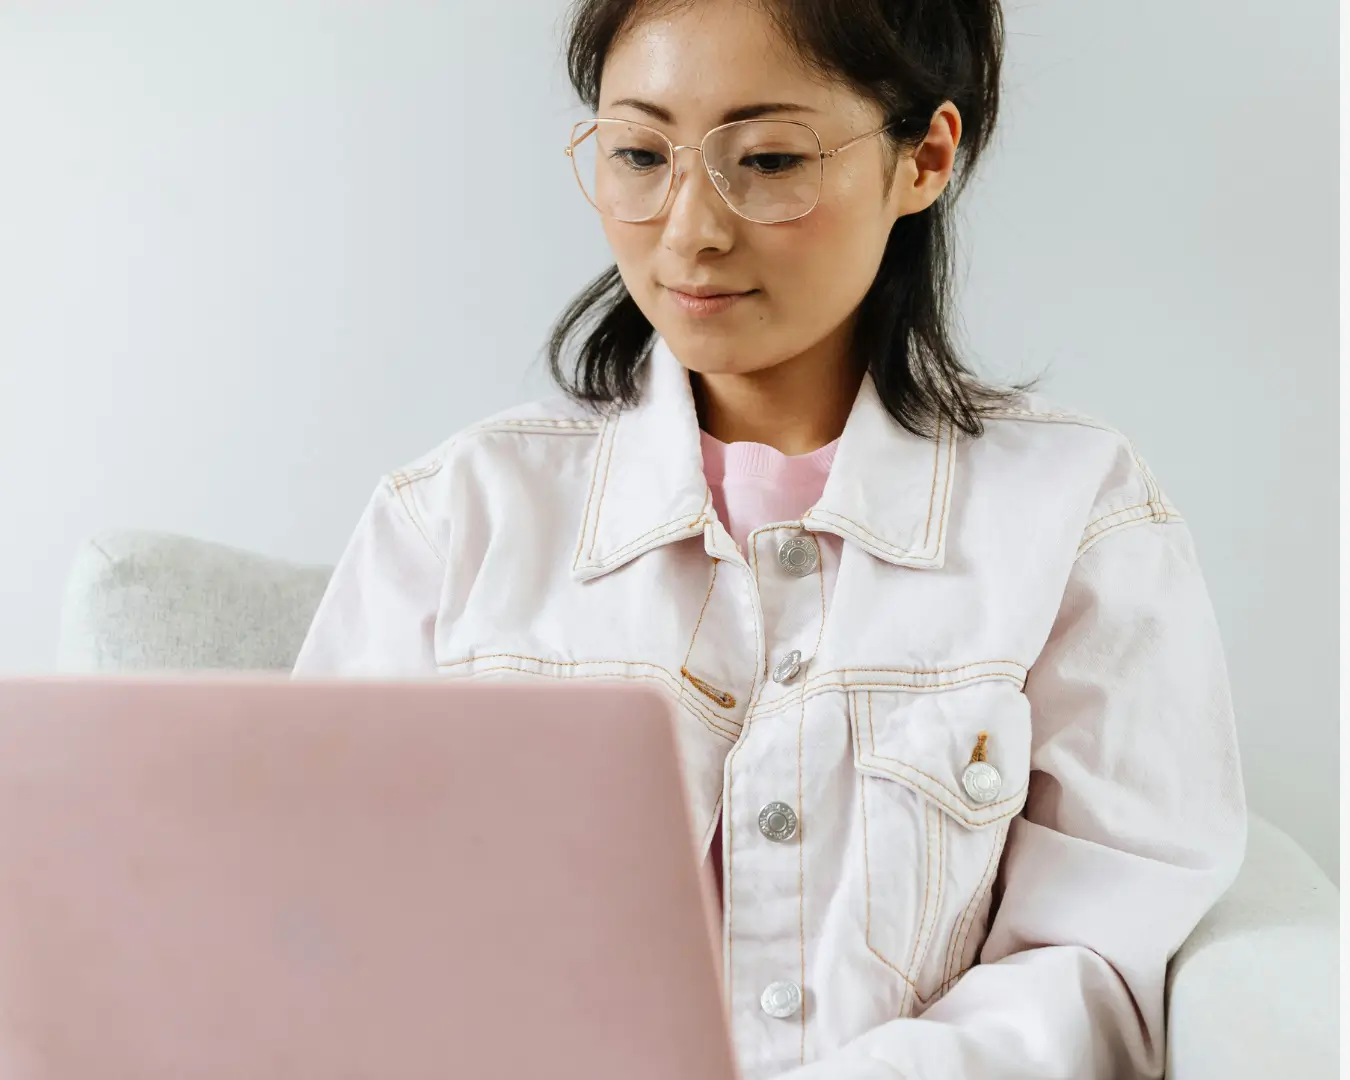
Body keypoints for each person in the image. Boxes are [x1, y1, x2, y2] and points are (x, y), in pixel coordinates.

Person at [293, 0, 1246, 1075]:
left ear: (925, 157)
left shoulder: (1075, 513)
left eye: (770, 159)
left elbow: (1101, 963)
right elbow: (319, 926)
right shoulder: (457, 515)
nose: (691, 227)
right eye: (640, 154)